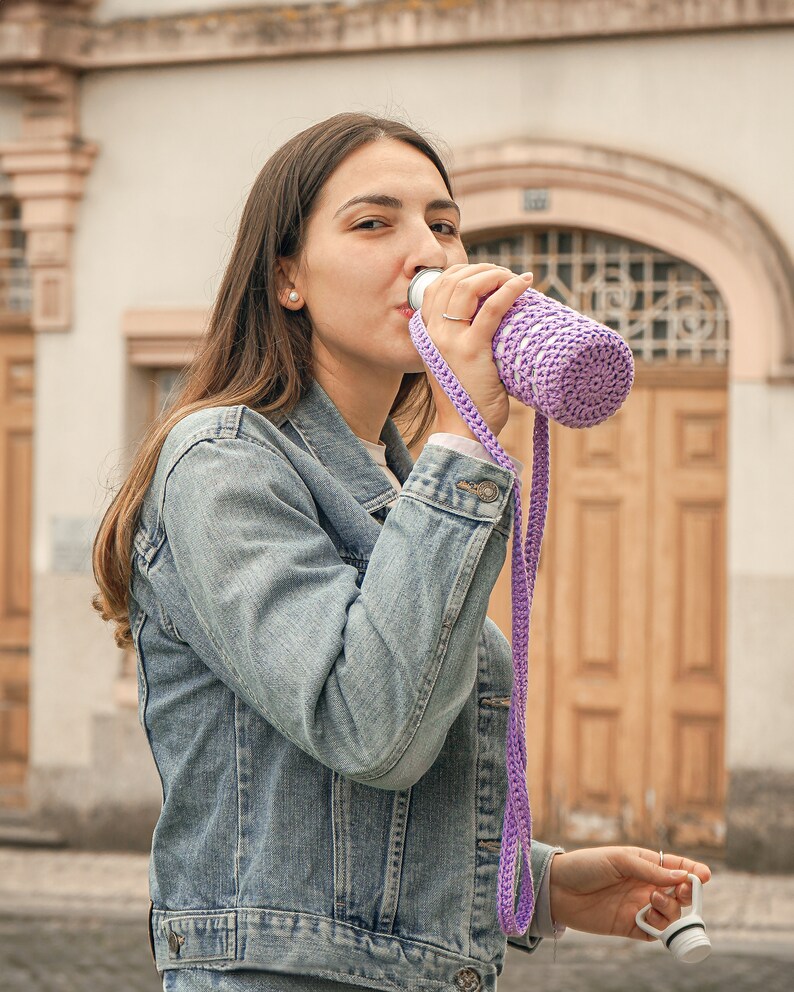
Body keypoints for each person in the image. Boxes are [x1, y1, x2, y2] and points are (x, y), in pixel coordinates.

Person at [92, 113, 710, 992]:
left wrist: (539, 886)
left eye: (444, 224)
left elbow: (345, 804)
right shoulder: (224, 460)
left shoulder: (399, 479)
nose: (428, 253)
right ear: (287, 278)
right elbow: (369, 726)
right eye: (374, 223)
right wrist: (466, 445)